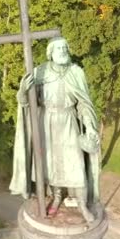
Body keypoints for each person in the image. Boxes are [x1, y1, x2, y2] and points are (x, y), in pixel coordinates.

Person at [10, 37, 101, 223]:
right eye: (58, 48)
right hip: (46, 123)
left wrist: (90, 127)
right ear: (50, 53)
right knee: (51, 164)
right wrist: (22, 92)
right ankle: (57, 196)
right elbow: (27, 103)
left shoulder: (76, 72)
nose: (62, 51)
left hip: (68, 122)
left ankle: (82, 204)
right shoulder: (39, 72)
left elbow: (84, 104)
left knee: (76, 165)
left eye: (64, 47)